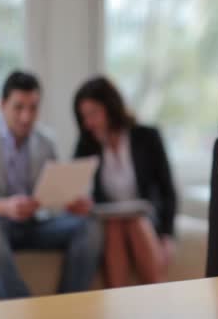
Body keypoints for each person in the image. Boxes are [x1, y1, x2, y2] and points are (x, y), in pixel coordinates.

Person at [0, 70, 103, 299]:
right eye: (18, 107)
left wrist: (68, 203)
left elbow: (52, 195)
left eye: (33, 108)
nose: (26, 117)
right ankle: (25, 312)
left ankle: (66, 311)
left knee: (88, 226)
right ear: (1, 105)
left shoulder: (46, 141)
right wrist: (2, 207)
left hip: (31, 225)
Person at [73, 76, 177, 287]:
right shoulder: (86, 146)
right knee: (114, 226)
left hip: (145, 218)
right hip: (109, 220)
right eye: (84, 117)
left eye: (93, 113)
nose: (88, 123)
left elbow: (168, 190)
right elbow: (76, 188)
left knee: (135, 222)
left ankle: (159, 296)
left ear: (110, 107)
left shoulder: (147, 137)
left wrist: (167, 234)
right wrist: (80, 202)